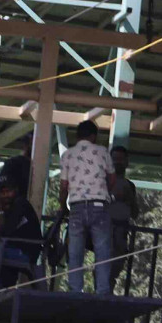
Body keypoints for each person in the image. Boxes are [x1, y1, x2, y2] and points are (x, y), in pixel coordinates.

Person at [58, 119, 115, 295]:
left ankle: (75, 290)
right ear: (93, 136)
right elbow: (112, 178)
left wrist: (62, 206)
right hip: (99, 205)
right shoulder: (102, 152)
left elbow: (64, 186)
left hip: (76, 207)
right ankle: (102, 291)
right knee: (102, 252)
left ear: (77, 136)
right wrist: (104, 191)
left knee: (75, 253)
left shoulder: (67, 155)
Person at [0, 176, 43, 296]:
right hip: (13, 249)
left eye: (8, 191)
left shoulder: (20, 204)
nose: (5, 196)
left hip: (25, 253)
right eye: (2, 193)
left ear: (15, 190)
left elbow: (5, 233)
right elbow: (3, 234)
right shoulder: (9, 208)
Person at [106, 145, 140, 291]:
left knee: (117, 264)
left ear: (126, 162)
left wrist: (129, 197)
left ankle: (107, 291)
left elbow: (135, 213)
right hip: (103, 229)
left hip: (121, 231)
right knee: (103, 264)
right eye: (114, 159)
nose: (117, 162)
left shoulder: (130, 186)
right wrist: (114, 197)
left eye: (121, 159)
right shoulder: (102, 181)